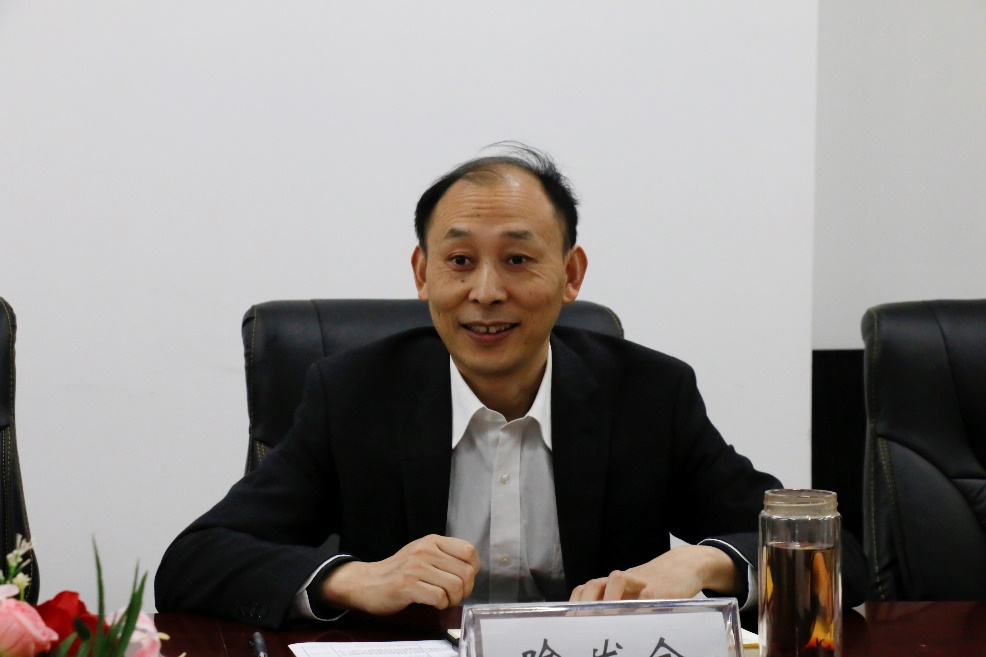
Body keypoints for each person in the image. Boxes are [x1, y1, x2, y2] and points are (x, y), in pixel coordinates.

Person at [155, 145, 867, 628]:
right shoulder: (353, 394)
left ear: (571, 274)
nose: (486, 292)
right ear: (422, 273)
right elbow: (193, 561)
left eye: (519, 260)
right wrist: (353, 578)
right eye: (460, 260)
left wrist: (706, 562)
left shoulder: (650, 394)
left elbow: (840, 558)